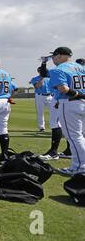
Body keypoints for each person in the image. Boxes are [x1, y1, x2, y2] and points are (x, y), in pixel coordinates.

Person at [49, 47, 85, 175]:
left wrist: (79, 95)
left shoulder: (59, 69)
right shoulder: (82, 67)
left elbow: (63, 89)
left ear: (58, 55)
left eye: (54, 56)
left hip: (70, 103)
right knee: (82, 136)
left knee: (74, 137)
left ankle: (79, 168)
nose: (53, 59)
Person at [30, 67, 53, 132]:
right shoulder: (34, 79)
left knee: (53, 112)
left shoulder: (50, 78)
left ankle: (55, 127)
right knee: (40, 112)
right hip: (40, 96)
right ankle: (41, 127)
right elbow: (37, 86)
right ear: (39, 71)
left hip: (49, 96)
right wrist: (42, 77)